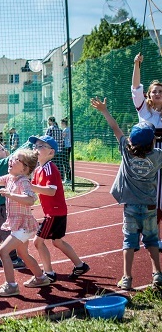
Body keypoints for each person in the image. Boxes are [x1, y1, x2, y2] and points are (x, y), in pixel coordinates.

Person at [91, 97, 162, 290]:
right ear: (153, 141)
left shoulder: (125, 150)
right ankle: (157, 274)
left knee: (129, 242)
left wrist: (105, 111)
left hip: (130, 207)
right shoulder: (157, 156)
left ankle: (127, 278)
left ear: (131, 139)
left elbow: (116, 129)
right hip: (150, 206)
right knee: (152, 240)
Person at [0, 149, 50, 297]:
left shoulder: (24, 181)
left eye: (16, 159)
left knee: (3, 251)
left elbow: (30, 199)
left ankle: (11, 286)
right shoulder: (10, 177)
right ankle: (41, 278)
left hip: (24, 225)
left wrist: (11, 195)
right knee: (23, 253)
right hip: (19, 225)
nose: (11, 160)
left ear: (25, 168)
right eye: (12, 158)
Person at [28, 135, 90, 283]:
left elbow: (50, 191)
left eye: (40, 146)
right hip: (55, 212)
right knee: (57, 241)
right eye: (34, 146)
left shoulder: (50, 168)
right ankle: (80, 265)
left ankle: (49, 273)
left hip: (54, 212)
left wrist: (29, 186)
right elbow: (34, 190)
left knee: (37, 242)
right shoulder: (38, 170)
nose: (35, 149)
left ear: (51, 152)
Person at [131, 53, 162, 250]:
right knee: (148, 196)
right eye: (154, 92)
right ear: (148, 95)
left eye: (160, 91)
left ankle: (153, 236)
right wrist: (137, 65)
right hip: (147, 157)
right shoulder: (144, 112)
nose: (157, 94)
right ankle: (136, 235)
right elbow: (135, 88)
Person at [60, 118, 72, 184]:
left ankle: (68, 178)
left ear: (63, 123)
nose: (61, 125)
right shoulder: (69, 129)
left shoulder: (65, 130)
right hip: (69, 146)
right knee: (66, 162)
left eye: (61, 123)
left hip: (66, 147)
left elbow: (62, 137)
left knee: (65, 162)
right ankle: (68, 178)